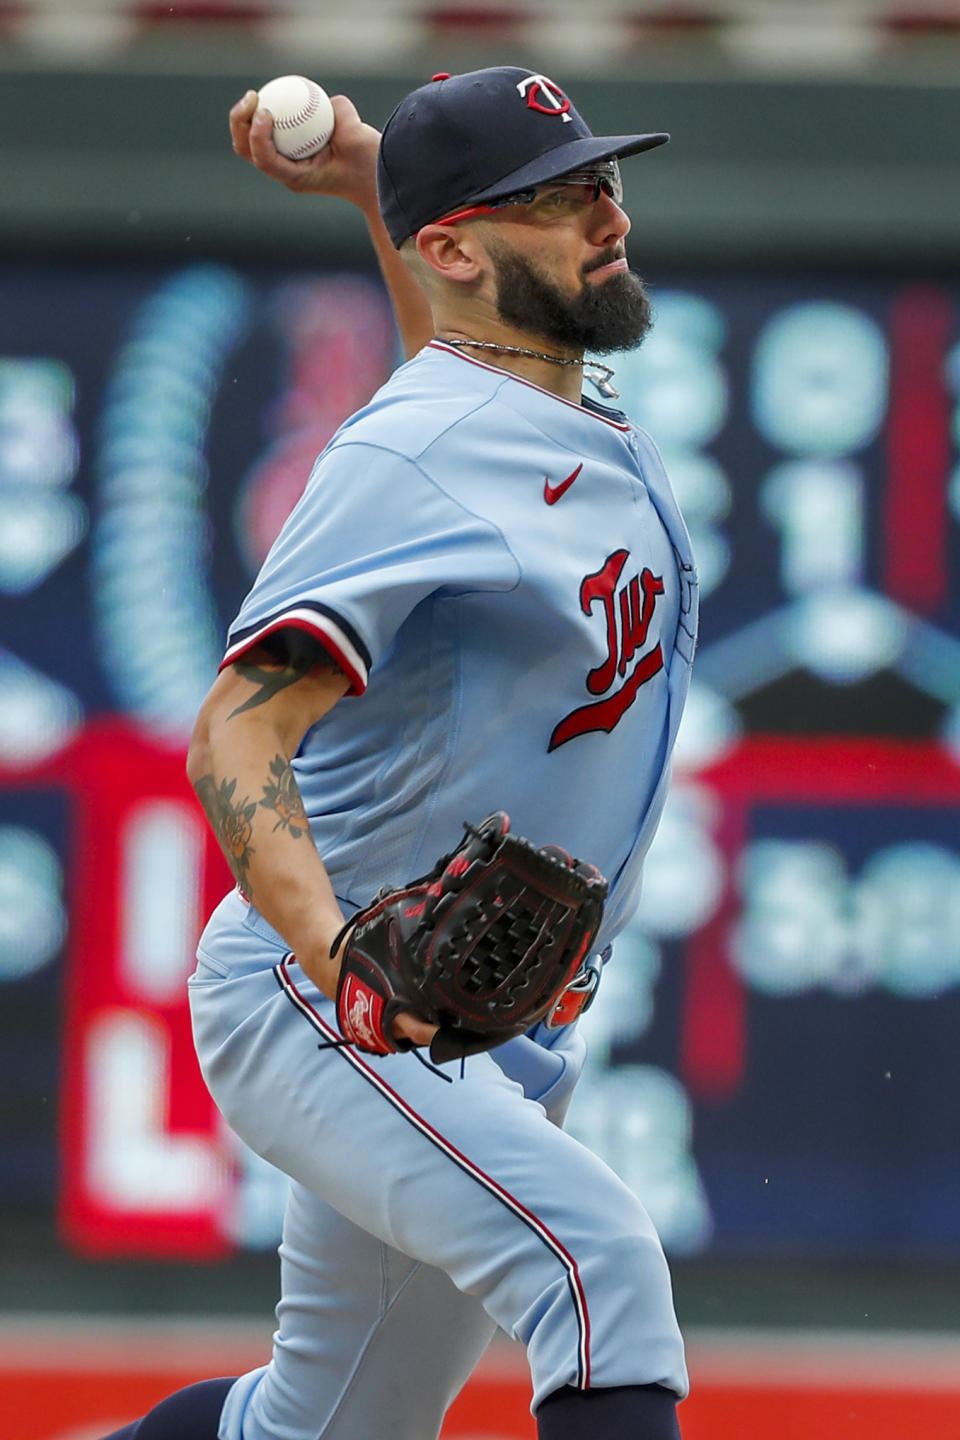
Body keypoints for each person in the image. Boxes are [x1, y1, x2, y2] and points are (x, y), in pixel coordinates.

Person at [103, 66, 697, 1440]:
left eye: (603, 180)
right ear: (459, 246)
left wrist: (380, 167)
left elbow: (449, 340)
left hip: (467, 1024)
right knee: (599, 1271)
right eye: (554, 201)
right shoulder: (414, 456)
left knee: (323, 1425)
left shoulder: (533, 402)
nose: (603, 214)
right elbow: (235, 729)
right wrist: (342, 965)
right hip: (333, 1002)